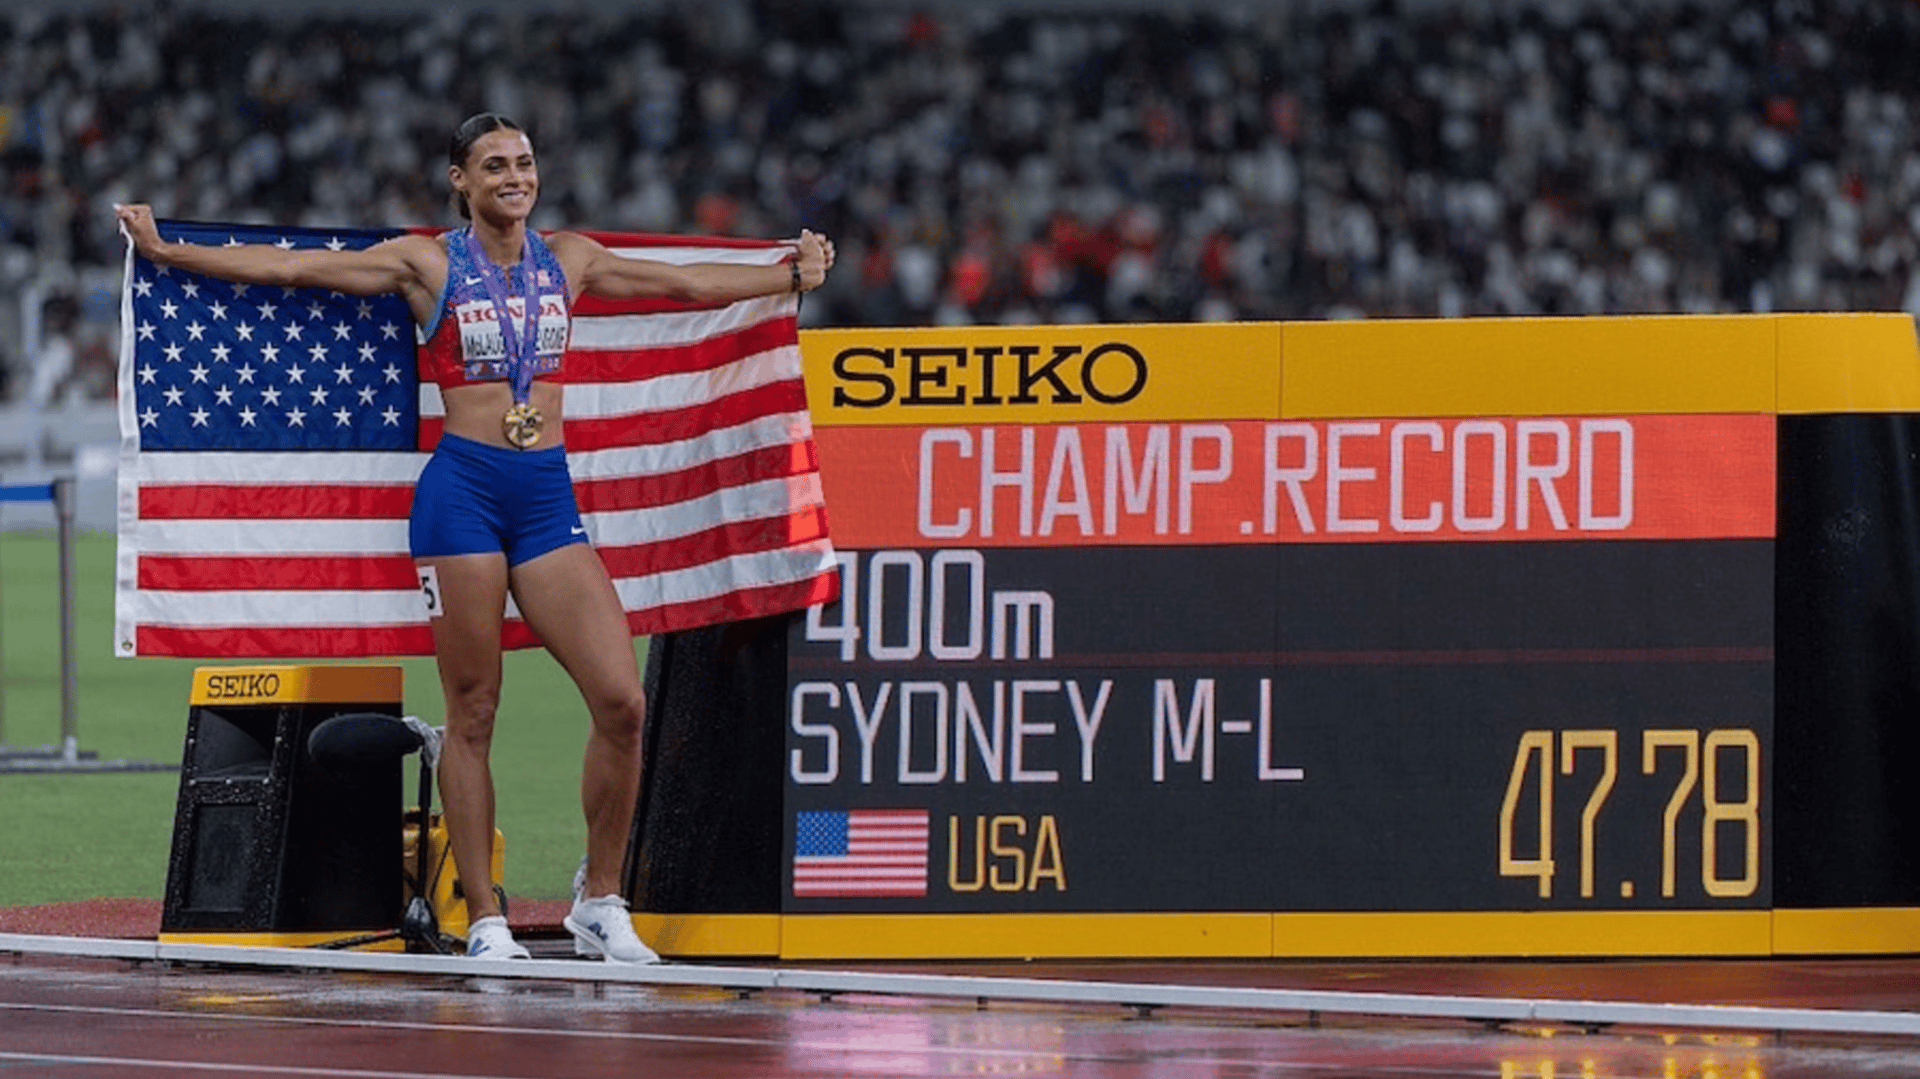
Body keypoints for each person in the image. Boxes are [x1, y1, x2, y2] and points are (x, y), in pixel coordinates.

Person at [116, 111, 835, 963]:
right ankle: (486, 916)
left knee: (622, 701)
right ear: (461, 180)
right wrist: (170, 254)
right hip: (461, 498)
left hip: (545, 498)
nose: (514, 177)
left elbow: (680, 285)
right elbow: (293, 267)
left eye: (524, 162)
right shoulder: (428, 262)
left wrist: (788, 275)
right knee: (475, 710)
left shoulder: (570, 259)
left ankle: (599, 899)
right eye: (494, 165)